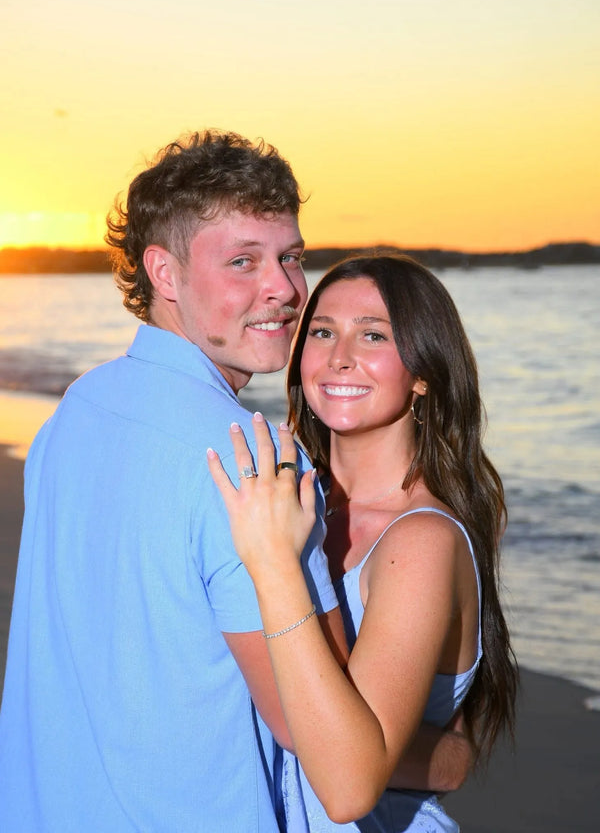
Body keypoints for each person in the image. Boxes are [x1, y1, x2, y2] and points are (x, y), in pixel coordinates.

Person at [0, 135, 468, 832]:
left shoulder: (78, 409)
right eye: (243, 261)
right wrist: (449, 757)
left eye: (290, 257)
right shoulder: (252, 462)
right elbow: (334, 758)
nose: (284, 288)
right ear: (165, 272)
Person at [208, 254, 519, 831]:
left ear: (424, 373)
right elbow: (446, 749)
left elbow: (349, 788)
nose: (339, 357)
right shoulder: (289, 502)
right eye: (322, 332)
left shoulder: (421, 541)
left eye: (373, 335)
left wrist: (276, 566)